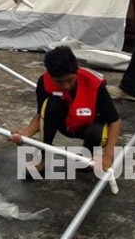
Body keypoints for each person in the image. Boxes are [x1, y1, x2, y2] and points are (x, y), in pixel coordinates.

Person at [8, 46, 122, 176]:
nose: (66, 86)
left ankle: (87, 156)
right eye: (60, 82)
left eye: (70, 80)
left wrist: (108, 155)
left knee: (96, 132)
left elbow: (115, 121)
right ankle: (45, 156)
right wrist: (25, 134)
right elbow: (42, 116)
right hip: (64, 123)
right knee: (50, 104)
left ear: (77, 71)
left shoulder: (94, 84)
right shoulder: (44, 82)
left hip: (89, 126)